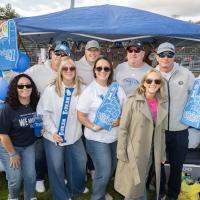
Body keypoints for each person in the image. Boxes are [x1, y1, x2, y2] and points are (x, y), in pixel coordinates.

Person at [36, 57, 87, 200]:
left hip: (75, 134)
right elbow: (42, 112)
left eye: (72, 68)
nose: (69, 71)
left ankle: (76, 188)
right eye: (65, 68)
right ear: (60, 71)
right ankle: (61, 196)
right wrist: (53, 132)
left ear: (76, 70)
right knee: (56, 167)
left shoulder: (82, 88)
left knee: (80, 161)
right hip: (53, 136)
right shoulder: (51, 89)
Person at [77, 56, 127, 200]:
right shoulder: (89, 91)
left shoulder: (117, 88)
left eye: (106, 68)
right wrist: (93, 127)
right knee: (104, 171)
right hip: (96, 139)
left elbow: (125, 108)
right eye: (99, 68)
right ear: (94, 71)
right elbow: (80, 115)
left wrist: (121, 119)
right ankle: (97, 196)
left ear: (110, 71)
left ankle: (101, 190)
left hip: (114, 137)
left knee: (111, 168)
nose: (103, 71)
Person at [114, 69, 167, 200]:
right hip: (134, 150)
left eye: (157, 81)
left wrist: (162, 153)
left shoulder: (162, 103)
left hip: (150, 150)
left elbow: (161, 131)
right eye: (149, 80)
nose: (153, 84)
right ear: (143, 83)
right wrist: (121, 152)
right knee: (133, 185)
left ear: (160, 84)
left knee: (143, 179)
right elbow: (123, 128)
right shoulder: (132, 101)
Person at [25, 41, 71, 193]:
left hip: (59, 118)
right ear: (51, 54)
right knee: (39, 150)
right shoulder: (38, 69)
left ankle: (59, 175)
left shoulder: (68, 71)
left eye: (64, 54)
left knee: (60, 148)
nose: (59, 57)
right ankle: (39, 178)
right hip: (39, 116)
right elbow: (20, 79)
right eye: (57, 53)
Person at [155, 42, 195, 200]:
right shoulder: (152, 74)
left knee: (177, 166)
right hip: (159, 130)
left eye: (169, 55)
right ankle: (160, 193)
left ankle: (173, 195)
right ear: (157, 57)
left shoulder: (186, 74)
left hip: (180, 130)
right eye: (162, 54)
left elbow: (195, 97)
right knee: (158, 165)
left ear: (174, 57)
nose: (166, 58)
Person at [0, 74, 40, 200]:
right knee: (15, 178)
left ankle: (30, 197)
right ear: (15, 88)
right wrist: (12, 154)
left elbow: (39, 122)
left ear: (32, 87)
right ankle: (13, 197)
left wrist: (41, 128)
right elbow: (3, 134)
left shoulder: (36, 103)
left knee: (31, 176)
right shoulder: (8, 108)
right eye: (20, 86)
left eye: (28, 85)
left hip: (29, 145)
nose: (24, 88)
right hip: (9, 146)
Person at [75, 40, 101, 180]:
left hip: (96, 112)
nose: (93, 53)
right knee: (82, 141)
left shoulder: (102, 65)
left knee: (93, 141)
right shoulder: (76, 66)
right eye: (90, 50)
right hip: (81, 111)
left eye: (95, 50)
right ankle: (83, 168)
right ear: (85, 51)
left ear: (99, 52)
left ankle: (92, 168)